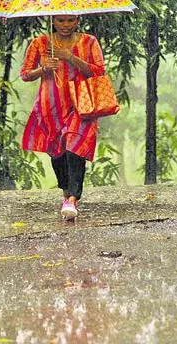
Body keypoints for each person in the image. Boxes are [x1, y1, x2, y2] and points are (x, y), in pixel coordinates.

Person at [20, 15, 105, 221]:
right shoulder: (40, 43)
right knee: (57, 151)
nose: (65, 25)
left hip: (81, 105)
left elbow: (98, 71)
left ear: (77, 21)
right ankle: (66, 193)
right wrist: (43, 69)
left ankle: (73, 198)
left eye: (70, 20)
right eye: (60, 21)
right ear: (53, 22)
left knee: (74, 144)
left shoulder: (89, 42)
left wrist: (70, 57)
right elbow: (25, 74)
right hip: (50, 106)